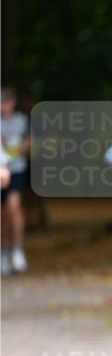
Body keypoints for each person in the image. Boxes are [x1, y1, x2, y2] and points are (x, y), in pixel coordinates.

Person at [0, 86, 30, 275]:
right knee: (2, 214)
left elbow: (31, 139)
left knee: (13, 207)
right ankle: (3, 251)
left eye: (6, 102)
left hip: (16, 170)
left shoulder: (22, 120)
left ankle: (17, 249)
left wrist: (22, 147)